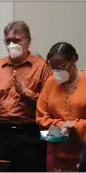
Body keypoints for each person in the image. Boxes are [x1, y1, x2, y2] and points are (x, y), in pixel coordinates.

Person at [0, 20, 51, 171]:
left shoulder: (42, 66)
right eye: (8, 41)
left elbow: (49, 104)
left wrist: (24, 93)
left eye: (16, 40)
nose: (11, 45)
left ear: (28, 42)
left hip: (30, 133)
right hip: (0, 133)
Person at [36, 42, 86, 171]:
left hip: (82, 154)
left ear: (73, 60)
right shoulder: (50, 83)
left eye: (59, 67)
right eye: (52, 68)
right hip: (56, 154)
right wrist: (60, 125)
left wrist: (74, 126)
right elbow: (41, 116)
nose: (55, 72)